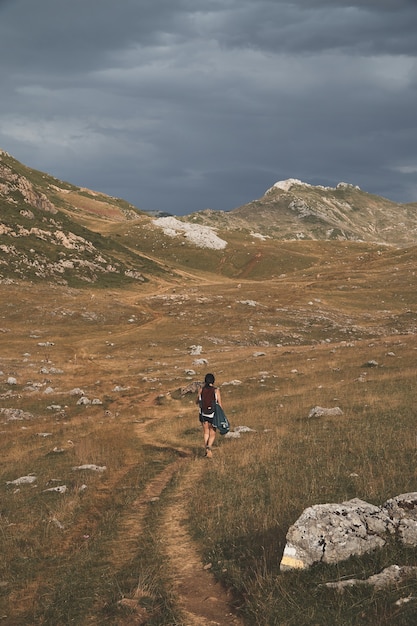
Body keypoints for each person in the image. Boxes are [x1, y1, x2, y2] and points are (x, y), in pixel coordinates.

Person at [197, 373, 223, 458]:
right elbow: (219, 404)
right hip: (213, 414)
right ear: (213, 381)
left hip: (203, 414)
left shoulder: (201, 390)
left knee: (206, 432)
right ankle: (209, 447)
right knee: (212, 432)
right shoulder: (216, 390)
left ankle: (207, 450)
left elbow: (197, 401)